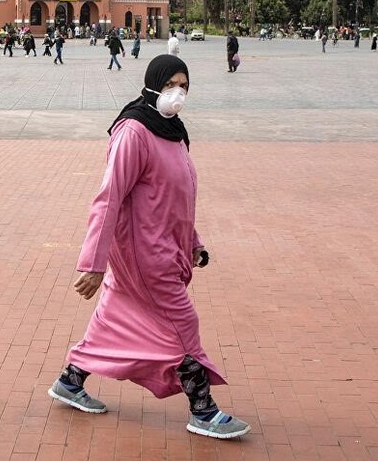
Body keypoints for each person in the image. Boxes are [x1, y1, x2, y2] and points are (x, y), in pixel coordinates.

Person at [47, 54, 251, 440]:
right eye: (172, 84)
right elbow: (108, 198)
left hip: (165, 247)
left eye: (185, 86)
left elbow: (178, 197)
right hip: (143, 254)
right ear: (153, 84)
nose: (178, 93)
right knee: (182, 322)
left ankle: (70, 381)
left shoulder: (173, 132)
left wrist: (193, 242)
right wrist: (93, 262)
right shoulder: (134, 132)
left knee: (112, 317)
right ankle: (203, 409)